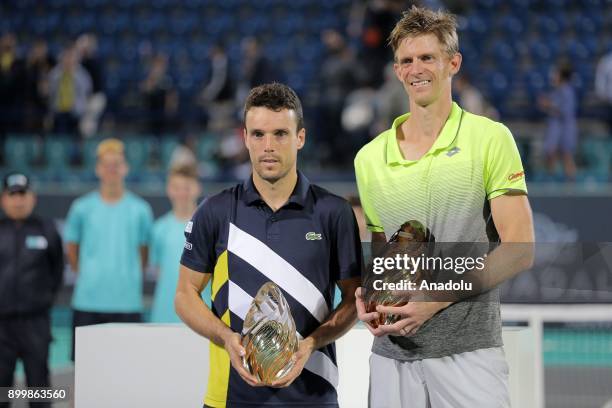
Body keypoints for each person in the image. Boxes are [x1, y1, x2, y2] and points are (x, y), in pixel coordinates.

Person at [353, 7, 534, 407]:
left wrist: (434, 300)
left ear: (453, 63)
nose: (416, 69)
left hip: (468, 355)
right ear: (397, 71)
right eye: (406, 60)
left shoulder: (490, 138)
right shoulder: (368, 159)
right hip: (391, 358)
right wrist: (368, 295)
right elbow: (386, 258)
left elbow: (519, 248)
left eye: (427, 57)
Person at [175, 83, 362, 408]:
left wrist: (312, 343)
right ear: (245, 137)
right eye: (258, 134)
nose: (268, 146)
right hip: (230, 397)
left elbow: (353, 299)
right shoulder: (216, 211)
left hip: (313, 396)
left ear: (300, 138)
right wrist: (226, 338)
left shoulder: (334, 213)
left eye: (280, 134)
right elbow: (184, 295)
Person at [64, 138, 153, 360]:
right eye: (107, 164)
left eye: (117, 164)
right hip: (88, 301)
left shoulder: (140, 210)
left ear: (126, 168)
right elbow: (72, 250)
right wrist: (90, 276)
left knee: (127, 369)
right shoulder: (81, 208)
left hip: (127, 302)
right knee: (85, 373)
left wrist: (127, 276)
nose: (112, 169)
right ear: (97, 169)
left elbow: (144, 253)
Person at [0, 173, 63, 407]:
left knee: (39, 389)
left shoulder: (47, 230)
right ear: (3, 199)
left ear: (32, 198)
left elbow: (57, 270)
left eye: (22, 194)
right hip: (1, 326)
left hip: (35, 323)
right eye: (12, 195)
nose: (18, 200)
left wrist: (42, 300)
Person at [149, 164, 202, 323]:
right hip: (164, 315)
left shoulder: (211, 227)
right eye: (176, 187)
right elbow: (159, 271)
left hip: (201, 318)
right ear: (169, 190)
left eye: (187, 187)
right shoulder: (159, 229)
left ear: (197, 188)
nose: (182, 193)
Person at [539, 63, 577, 180]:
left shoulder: (566, 91)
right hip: (556, 128)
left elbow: (566, 110)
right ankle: (552, 184)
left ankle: (570, 186)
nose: (553, 76)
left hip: (565, 128)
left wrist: (549, 104)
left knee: (566, 156)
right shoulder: (556, 91)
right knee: (551, 155)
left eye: (556, 73)